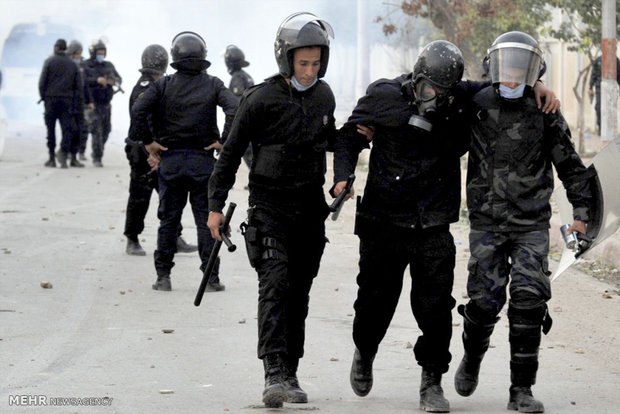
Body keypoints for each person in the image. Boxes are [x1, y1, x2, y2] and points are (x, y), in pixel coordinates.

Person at [333, 40, 560, 413]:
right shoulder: (384, 95)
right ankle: (366, 350)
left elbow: (505, 84)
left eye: (445, 91)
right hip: (383, 223)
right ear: (416, 79)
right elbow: (347, 138)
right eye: (428, 90)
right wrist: (343, 177)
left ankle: (432, 381)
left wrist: (536, 85)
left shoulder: (461, 99)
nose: (435, 98)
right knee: (374, 304)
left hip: (433, 222)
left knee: (436, 309)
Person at [454, 32, 593, 413]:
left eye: (522, 72)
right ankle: (472, 357)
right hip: (487, 222)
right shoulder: (476, 104)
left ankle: (521, 390)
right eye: (506, 70)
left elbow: (572, 168)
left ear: (534, 73)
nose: (513, 79)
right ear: (493, 69)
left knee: (530, 301)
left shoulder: (544, 111)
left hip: (531, 223)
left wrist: (581, 217)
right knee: (484, 302)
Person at [207, 12, 335, 408]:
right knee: (275, 286)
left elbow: (329, 140)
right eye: (303, 63)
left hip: (310, 211)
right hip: (269, 209)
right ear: (286, 59)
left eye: (316, 64)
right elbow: (228, 155)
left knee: (299, 294)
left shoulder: (324, 96)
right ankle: (274, 373)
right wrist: (215, 207)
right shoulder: (258, 99)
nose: (309, 71)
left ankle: (291, 370)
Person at [132, 31, 238, 292]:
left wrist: (149, 142)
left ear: (175, 57)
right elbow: (235, 108)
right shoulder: (213, 84)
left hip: (172, 162)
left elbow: (139, 109)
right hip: (203, 163)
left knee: (168, 221)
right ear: (203, 57)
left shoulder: (163, 84)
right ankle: (211, 278)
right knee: (207, 220)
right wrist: (223, 141)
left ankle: (163, 277)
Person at [123, 44, 197, 256]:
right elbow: (142, 121)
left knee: (170, 194)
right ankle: (132, 238)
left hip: (155, 149)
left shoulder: (158, 85)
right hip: (143, 150)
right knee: (140, 195)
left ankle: (175, 236)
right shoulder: (146, 88)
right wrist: (150, 150)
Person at [38, 38, 81, 168]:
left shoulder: (49, 61)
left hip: (50, 101)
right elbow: (78, 86)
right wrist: (75, 103)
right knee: (67, 130)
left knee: (50, 131)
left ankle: (51, 158)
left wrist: (44, 97)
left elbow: (42, 83)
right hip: (67, 101)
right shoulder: (73, 64)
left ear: (56, 48)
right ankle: (63, 152)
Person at [84, 39, 122, 167]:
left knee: (106, 130)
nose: (101, 54)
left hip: (106, 104)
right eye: (99, 52)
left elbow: (119, 79)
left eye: (103, 52)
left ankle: (98, 151)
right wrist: (97, 80)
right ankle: (97, 157)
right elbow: (82, 81)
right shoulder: (86, 65)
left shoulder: (108, 65)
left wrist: (113, 80)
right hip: (92, 104)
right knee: (96, 130)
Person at [224, 44, 254, 169]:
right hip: (252, 120)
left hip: (245, 123)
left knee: (247, 151)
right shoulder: (246, 76)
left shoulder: (237, 77)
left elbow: (237, 104)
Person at [66, 40, 91, 167]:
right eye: (76, 54)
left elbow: (85, 85)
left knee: (80, 129)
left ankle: (75, 155)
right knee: (70, 129)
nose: (78, 56)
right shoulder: (66, 65)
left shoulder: (82, 66)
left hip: (80, 103)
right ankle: (67, 153)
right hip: (68, 102)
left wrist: (90, 101)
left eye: (80, 54)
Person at [587, 54, 620, 136]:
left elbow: (619, 76)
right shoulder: (598, 60)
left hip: (612, 88)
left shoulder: (616, 61)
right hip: (600, 87)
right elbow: (593, 75)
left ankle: (610, 129)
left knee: (611, 109)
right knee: (598, 107)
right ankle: (601, 127)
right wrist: (590, 87)